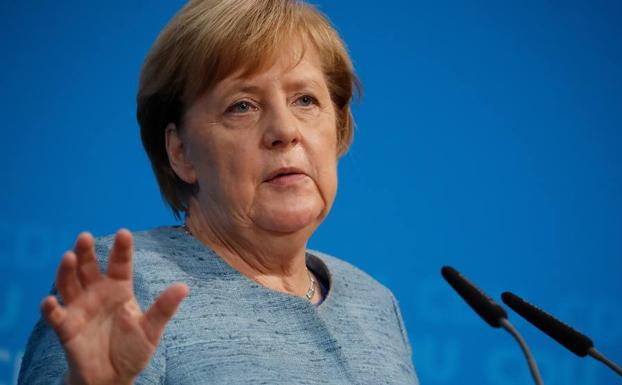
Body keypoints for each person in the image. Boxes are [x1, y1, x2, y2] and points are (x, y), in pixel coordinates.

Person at [18, 1, 419, 384]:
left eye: (305, 100)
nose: (285, 130)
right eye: (242, 106)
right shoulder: (128, 284)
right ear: (180, 152)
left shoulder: (373, 303)